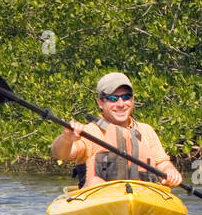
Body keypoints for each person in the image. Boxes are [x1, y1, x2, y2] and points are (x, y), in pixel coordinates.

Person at [51, 72, 183, 187]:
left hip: (143, 198)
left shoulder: (146, 130)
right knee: (96, 181)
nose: (121, 104)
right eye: (113, 99)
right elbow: (61, 154)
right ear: (101, 103)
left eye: (126, 97)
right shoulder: (90, 132)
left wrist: (170, 171)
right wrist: (66, 138)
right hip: (101, 202)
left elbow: (162, 163)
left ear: (132, 100)